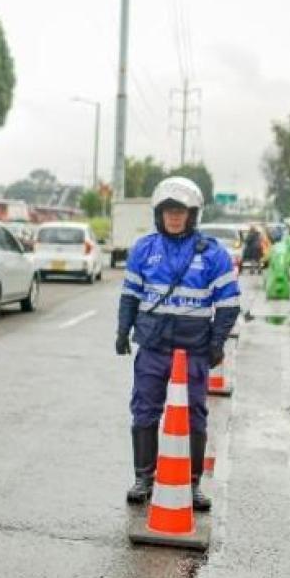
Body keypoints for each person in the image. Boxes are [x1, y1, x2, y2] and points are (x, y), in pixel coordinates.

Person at [116, 177, 241, 511]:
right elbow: (130, 295)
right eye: (168, 211)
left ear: (192, 214)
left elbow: (229, 304)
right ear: (159, 213)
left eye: (180, 211)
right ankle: (144, 478)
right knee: (144, 410)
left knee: (194, 416)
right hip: (153, 347)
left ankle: (193, 483)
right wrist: (122, 331)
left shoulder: (213, 253)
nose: (174, 217)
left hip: (193, 352)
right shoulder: (143, 249)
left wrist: (217, 343)